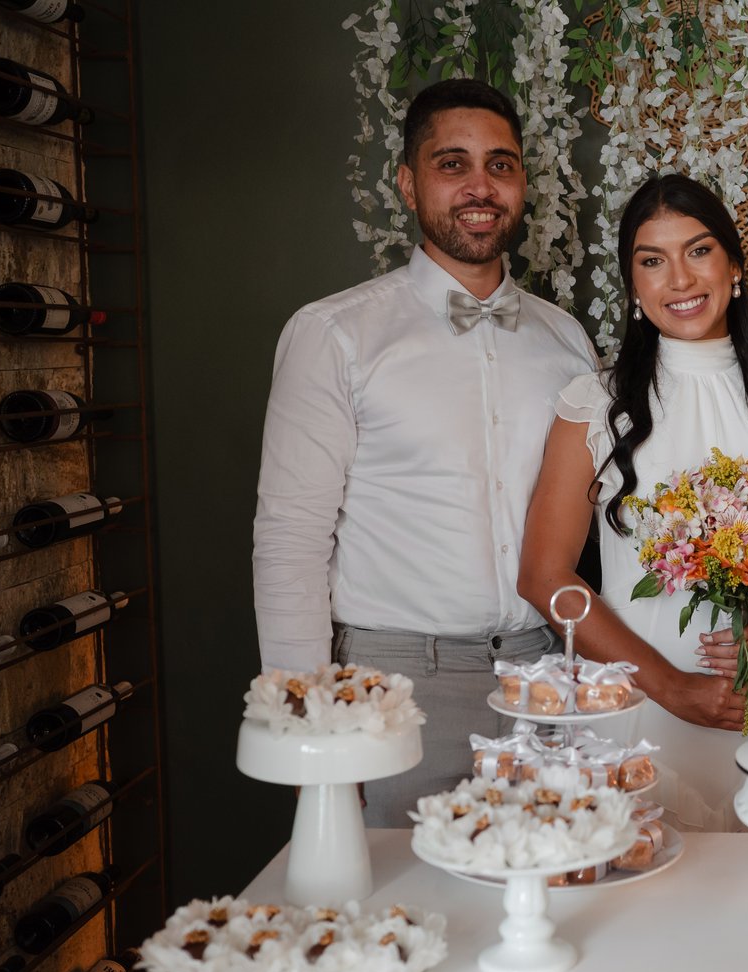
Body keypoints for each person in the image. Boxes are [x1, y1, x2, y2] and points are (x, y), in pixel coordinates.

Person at [252, 80, 595, 827]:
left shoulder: (566, 342)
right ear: (408, 184)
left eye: (501, 165)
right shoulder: (336, 334)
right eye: (452, 163)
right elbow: (290, 540)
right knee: (400, 893)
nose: (481, 186)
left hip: (544, 680)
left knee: (548, 884)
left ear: (522, 183)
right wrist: (313, 727)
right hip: (395, 687)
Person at [519, 173, 748, 832]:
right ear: (633, 285)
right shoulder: (594, 404)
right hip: (636, 705)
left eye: (699, 251)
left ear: (735, 266)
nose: (679, 279)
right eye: (652, 261)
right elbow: (543, 577)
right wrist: (672, 687)